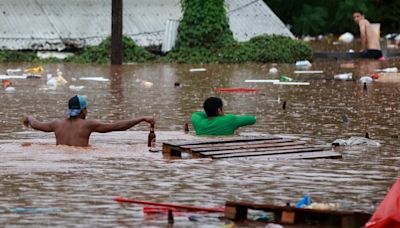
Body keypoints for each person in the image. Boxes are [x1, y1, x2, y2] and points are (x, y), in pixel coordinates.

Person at [23, 95, 155, 147]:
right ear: (82, 110)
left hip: (60, 156)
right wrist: (142, 118)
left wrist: (29, 118)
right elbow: (117, 126)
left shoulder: (57, 124)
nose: (87, 111)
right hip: (81, 159)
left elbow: (36, 125)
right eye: (86, 109)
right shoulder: (88, 124)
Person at [191, 97, 256, 136]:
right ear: (219, 110)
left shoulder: (198, 122)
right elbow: (253, 119)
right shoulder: (229, 120)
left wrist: (209, 112)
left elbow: (195, 114)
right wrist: (224, 115)